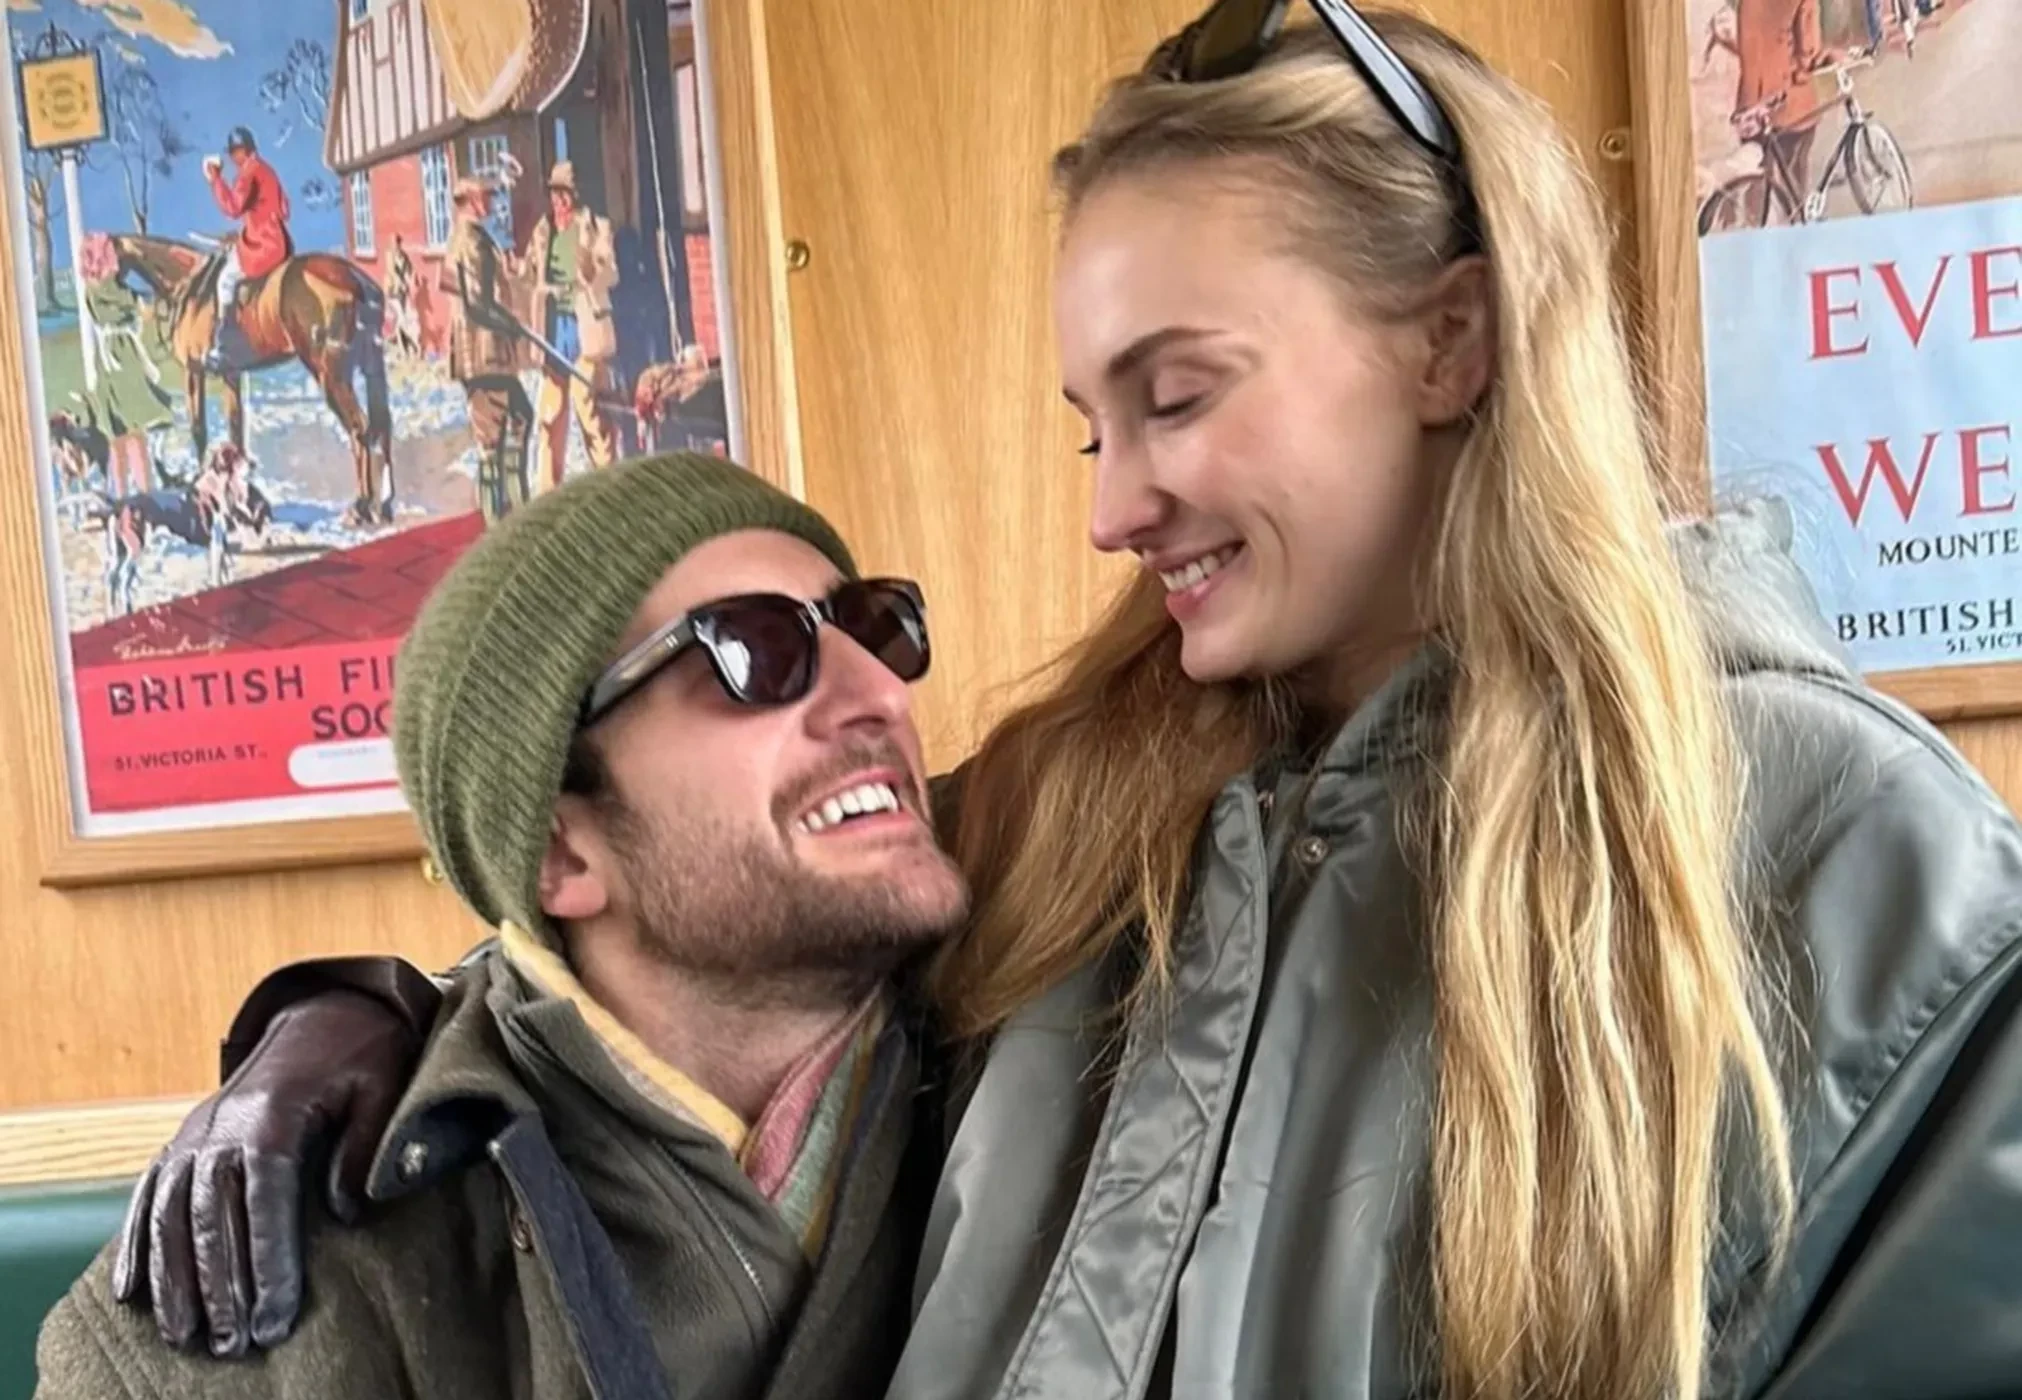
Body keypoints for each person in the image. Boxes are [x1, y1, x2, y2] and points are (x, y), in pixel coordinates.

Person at [103, 4, 2022, 1398]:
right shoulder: (1081, 801)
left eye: (1177, 397)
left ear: (1449, 340)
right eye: (1093, 426)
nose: (1110, 510)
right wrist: (341, 1032)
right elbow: (667, 908)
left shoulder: (1851, 853)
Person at [36, 451, 964, 1397]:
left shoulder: (1031, 1039)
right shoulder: (235, 1321)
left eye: (871, 627)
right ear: (562, 854)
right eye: (755, 652)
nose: (883, 695)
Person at [517, 159, 620, 491]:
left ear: (575, 195)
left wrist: (591, 273)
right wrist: (517, 271)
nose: (559, 200)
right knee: (550, 413)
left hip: (584, 325)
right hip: (552, 327)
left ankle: (608, 484)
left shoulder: (594, 226)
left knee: (587, 407)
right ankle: (549, 490)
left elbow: (610, 273)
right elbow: (529, 272)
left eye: (565, 193)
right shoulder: (543, 230)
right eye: (554, 193)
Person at [439, 177, 533, 523]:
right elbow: (477, 303)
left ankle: (515, 508)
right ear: (470, 201)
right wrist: (509, 323)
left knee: (518, 418)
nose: (491, 202)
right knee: (493, 435)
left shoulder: (471, 237)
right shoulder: (469, 241)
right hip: (482, 351)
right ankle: (500, 520)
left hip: (485, 350)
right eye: (485, 196)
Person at [75, 229, 173, 496]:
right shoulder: (111, 289)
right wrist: (145, 304)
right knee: (134, 433)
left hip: (108, 360)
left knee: (117, 435)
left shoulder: (91, 289)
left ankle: (122, 493)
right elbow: (137, 305)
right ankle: (144, 491)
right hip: (121, 357)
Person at [202, 126, 293, 371]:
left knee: (225, 279)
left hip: (262, 247)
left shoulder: (248, 172)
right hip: (280, 242)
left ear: (242, 150)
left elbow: (232, 208)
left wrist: (215, 179)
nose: (233, 158)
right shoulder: (267, 169)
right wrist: (246, 229)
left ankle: (225, 344)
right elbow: (284, 209)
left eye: (234, 153)